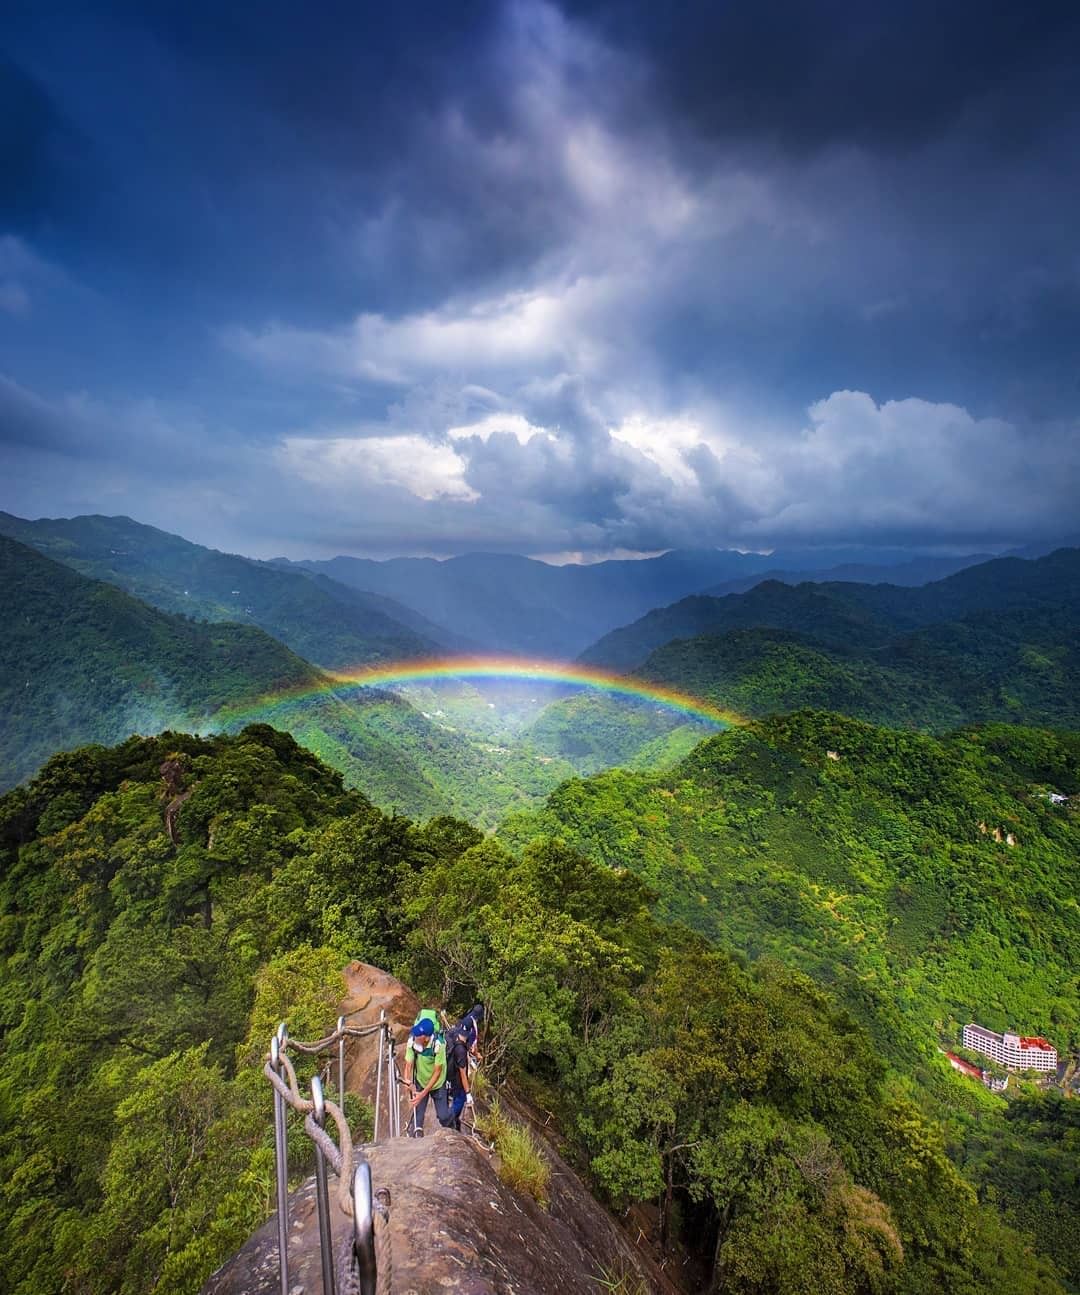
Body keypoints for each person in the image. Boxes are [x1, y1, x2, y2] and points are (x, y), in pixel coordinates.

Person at [402, 1019, 452, 1135]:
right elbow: (408, 1064)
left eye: (419, 1035)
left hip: (438, 1084)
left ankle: (453, 1130)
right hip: (421, 1080)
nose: (415, 1036)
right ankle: (416, 1140)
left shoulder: (439, 1045)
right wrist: (407, 1081)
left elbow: (437, 1072)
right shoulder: (412, 1041)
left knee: (443, 1116)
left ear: (426, 1038)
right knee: (417, 1120)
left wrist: (422, 1094)